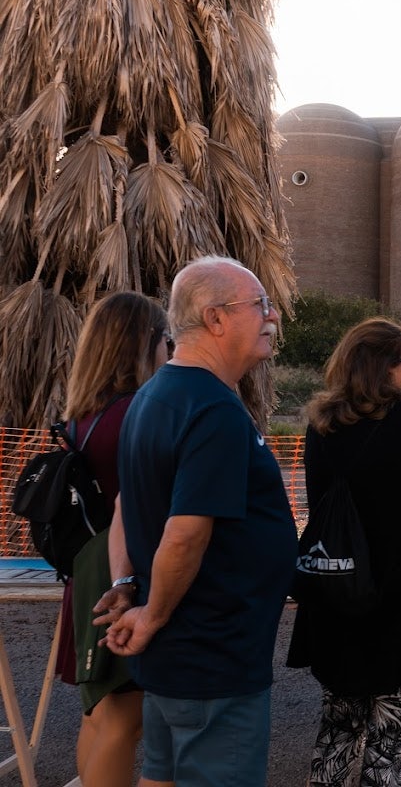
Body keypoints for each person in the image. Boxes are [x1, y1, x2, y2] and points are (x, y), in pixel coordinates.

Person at [105, 256, 297, 787]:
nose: (272, 316)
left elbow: (123, 506)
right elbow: (186, 533)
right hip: (212, 659)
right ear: (215, 318)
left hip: (180, 658)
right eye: (259, 304)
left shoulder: (154, 395)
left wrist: (127, 584)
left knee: (161, 777)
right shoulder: (211, 409)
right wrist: (152, 615)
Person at [287, 319, 401, 786]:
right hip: (399, 599)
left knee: (338, 726)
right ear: (383, 367)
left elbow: (321, 506)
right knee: (389, 738)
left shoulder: (322, 424)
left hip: (336, 592)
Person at [50, 292, 170, 787]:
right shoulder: (137, 414)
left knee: (99, 715)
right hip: (121, 575)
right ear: (143, 343)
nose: (170, 350)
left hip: (88, 572)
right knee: (124, 720)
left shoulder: (85, 414)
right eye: (166, 339)